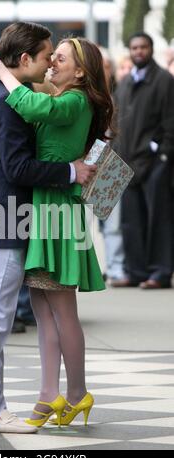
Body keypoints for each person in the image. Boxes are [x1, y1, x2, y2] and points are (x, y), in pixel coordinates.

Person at [0, 22, 97, 434]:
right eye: (47, 55)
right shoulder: (8, 101)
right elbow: (19, 167)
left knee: (2, 313)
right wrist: (72, 170)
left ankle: (44, 396)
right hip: (5, 218)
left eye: (60, 56)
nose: (51, 61)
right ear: (25, 59)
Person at [113, 32, 174, 289]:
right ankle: (135, 271)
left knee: (158, 219)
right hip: (126, 163)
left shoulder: (164, 81)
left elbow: (170, 122)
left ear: (150, 49)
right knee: (130, 221)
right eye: (135, 47)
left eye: (143, 47)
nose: (139, 51)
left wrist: (163, 154)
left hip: (155, 163)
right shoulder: (124, 84)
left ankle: (159, 273)